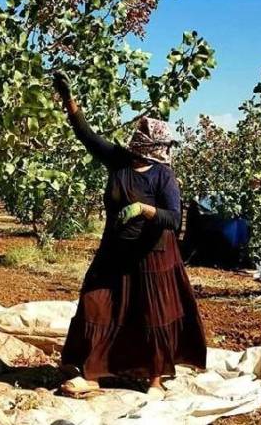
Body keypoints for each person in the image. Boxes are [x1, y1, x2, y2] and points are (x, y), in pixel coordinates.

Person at [52, 71, 207, 400]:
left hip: (152, 257)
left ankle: (154, 379)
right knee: (96, 305)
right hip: (114, 252)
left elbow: (174, 217)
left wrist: (144, 210)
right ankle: (93, 373)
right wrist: (69, 100)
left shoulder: (163, 175)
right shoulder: (119, 162)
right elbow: (87, 135)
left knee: (153, 315)